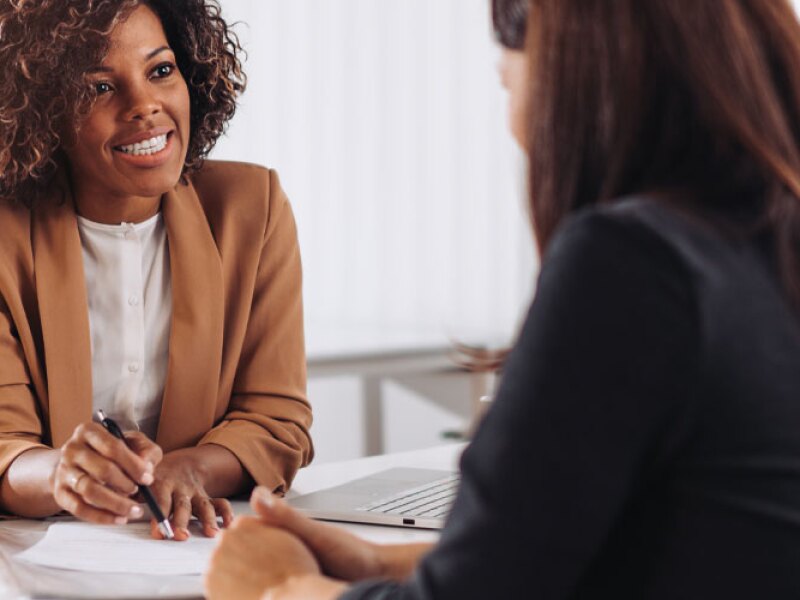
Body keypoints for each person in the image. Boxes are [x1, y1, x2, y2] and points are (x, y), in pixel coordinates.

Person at [205, 0, 800, 597]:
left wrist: (278, 587)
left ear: (585, 78)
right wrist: (380, 563)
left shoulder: (635, 264)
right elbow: (676, 543)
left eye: (509, 76)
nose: (515, 125)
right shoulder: (767, 246)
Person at [0, 0, 313, 540]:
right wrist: (62, 475)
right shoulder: (6, 234)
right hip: (34, 562)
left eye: (160, 70)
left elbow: (276, 419)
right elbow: (5, 444)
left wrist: (184, 468)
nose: (145, 105)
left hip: (192, 549)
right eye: (99, 87)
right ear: (41, 110)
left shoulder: (250, 207)